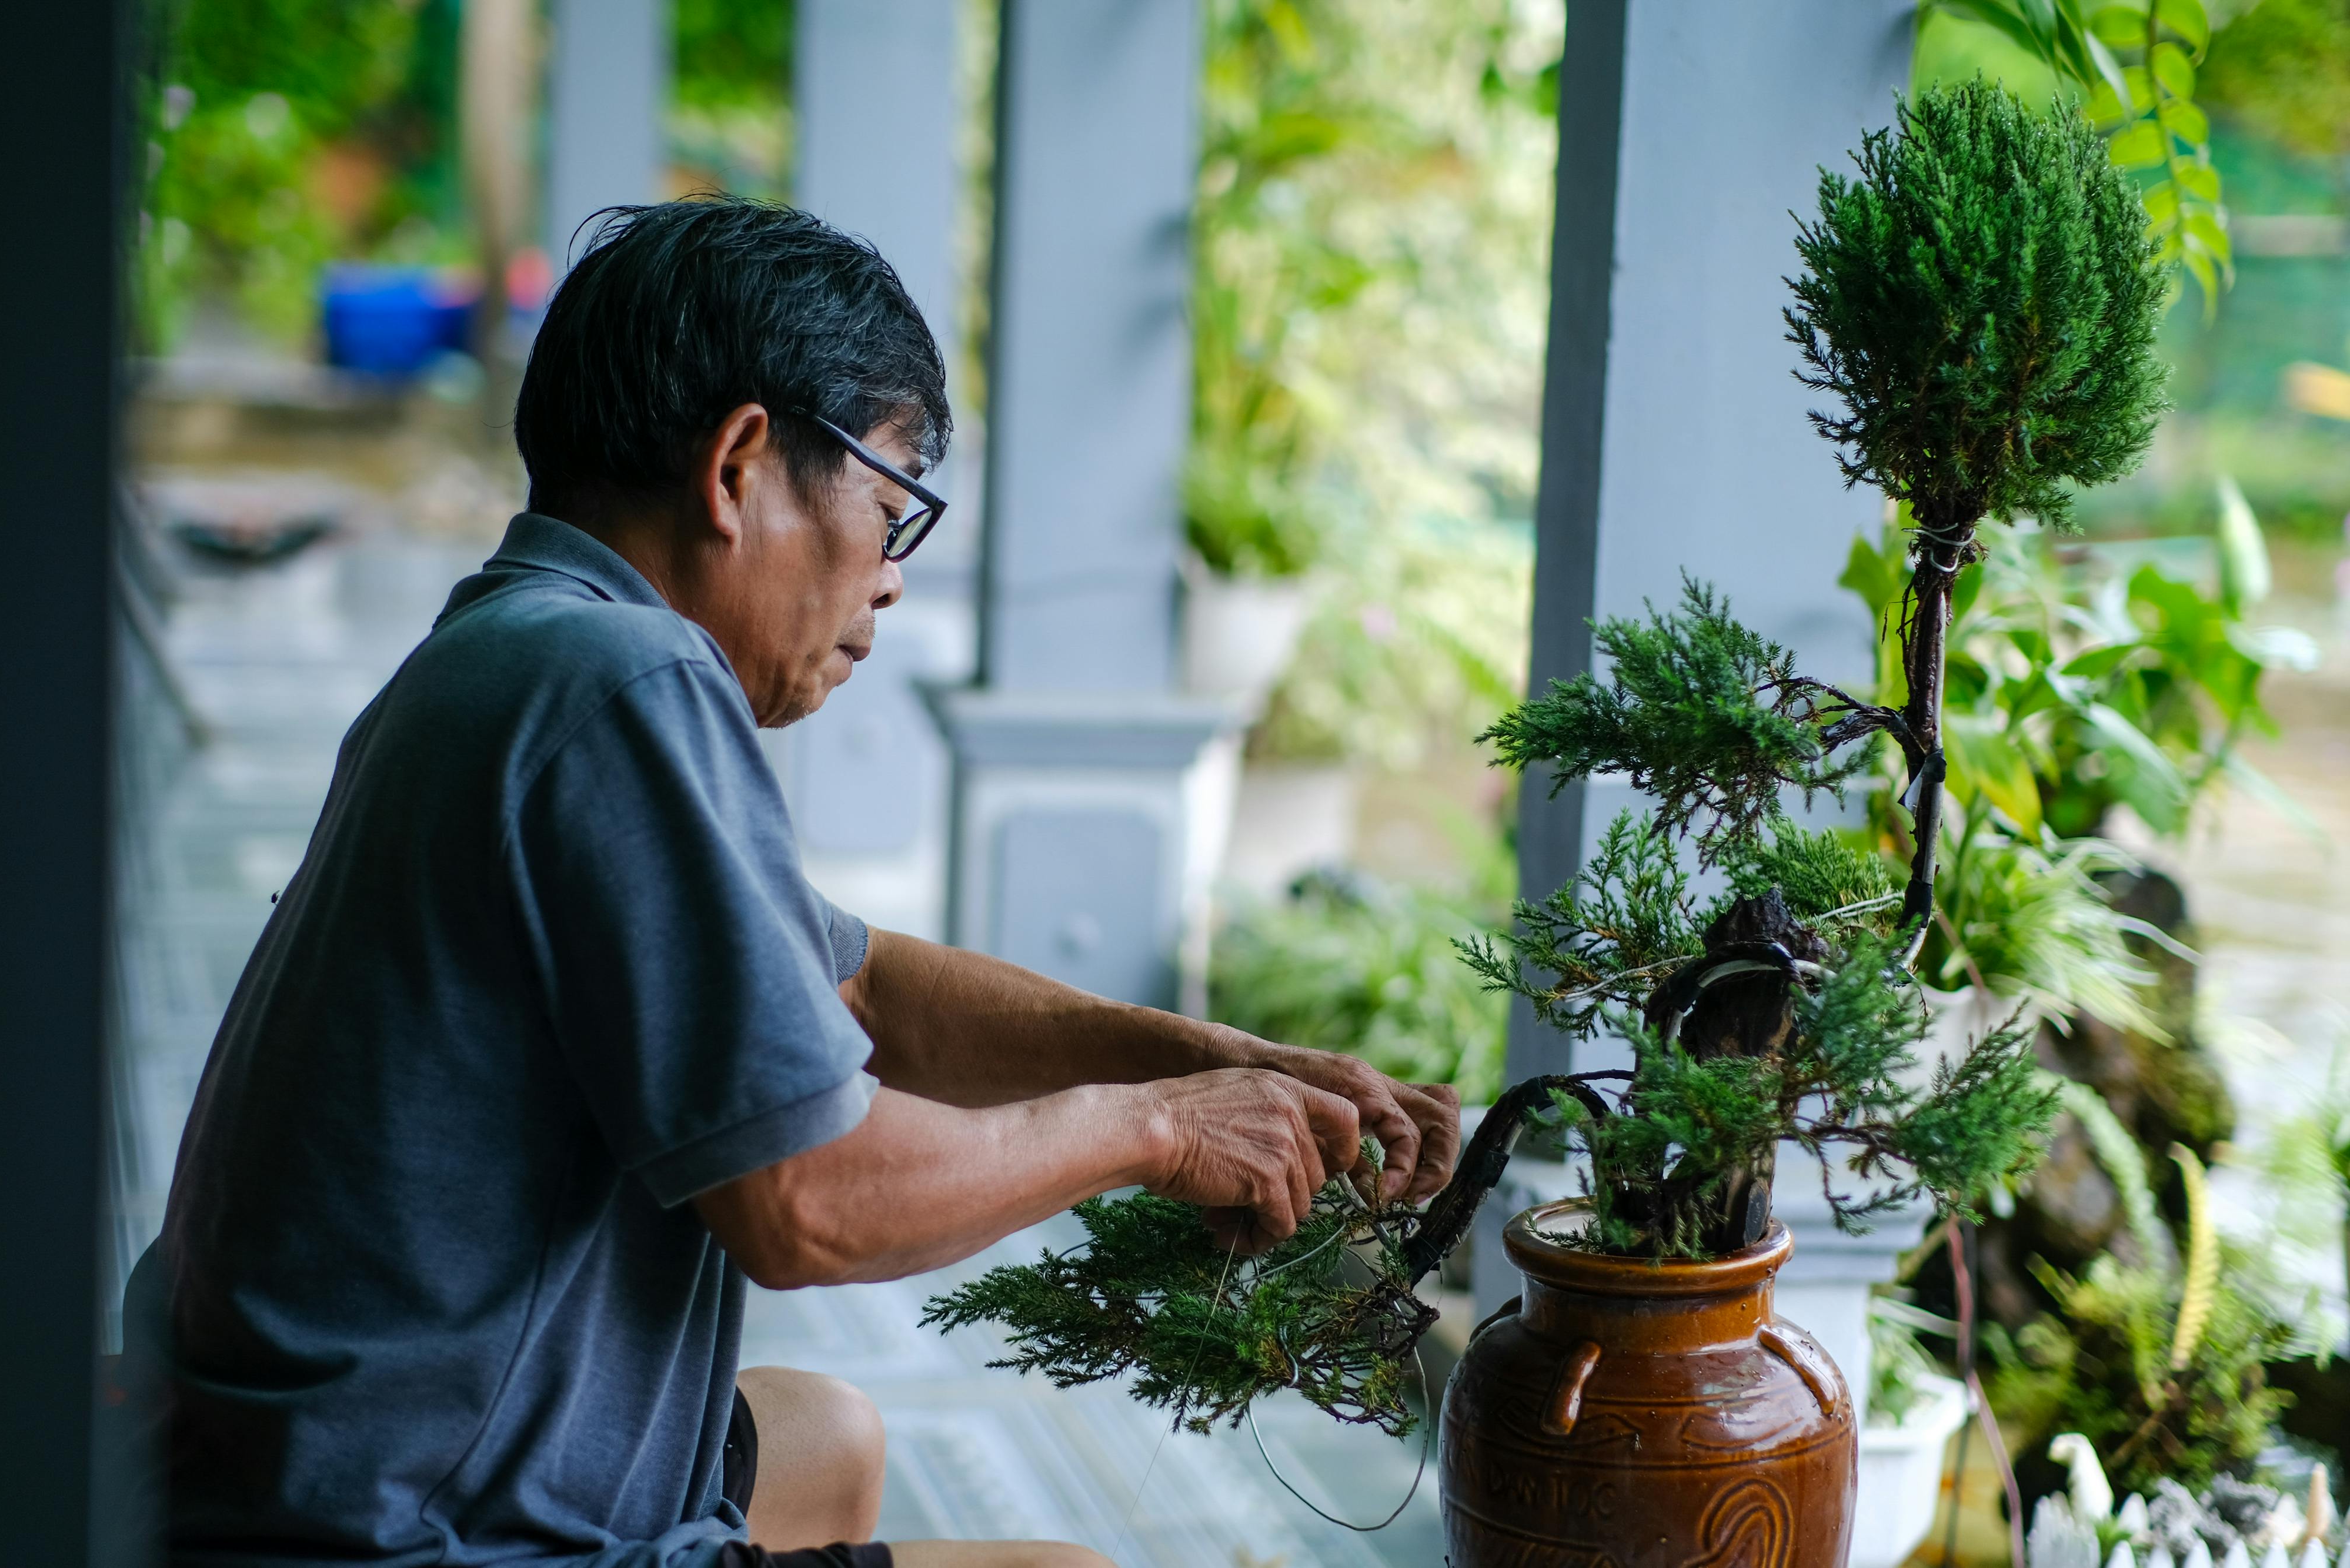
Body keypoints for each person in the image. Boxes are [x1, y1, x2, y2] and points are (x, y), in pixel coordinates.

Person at [123, 198, 1461, 1568]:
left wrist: (1233, 1061)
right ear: (739, 463)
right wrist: (1158, 1130)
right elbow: (806, 1199)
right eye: (887, 510)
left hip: (283, 1471)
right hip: (398, 1535)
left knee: (825, 1434)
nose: (887, 584)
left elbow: (860, 981)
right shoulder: (619, 680)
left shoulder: (511, 646)